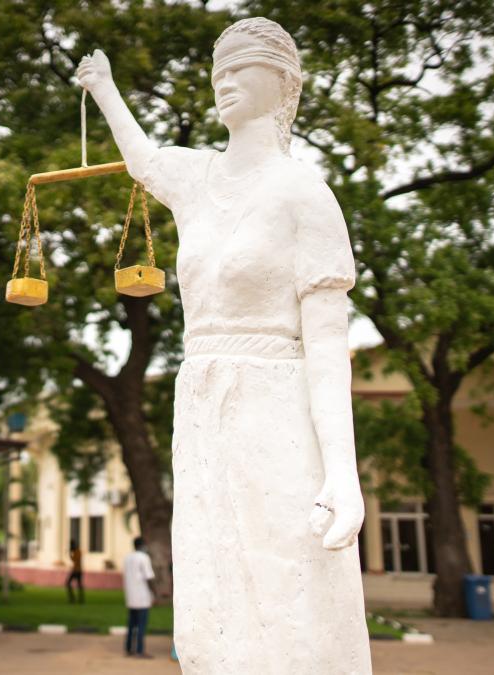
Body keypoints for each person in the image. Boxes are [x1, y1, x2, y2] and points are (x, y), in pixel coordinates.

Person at [77, 17, 372, 674]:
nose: (225, 80)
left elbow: (328, 351)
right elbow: (145, 160)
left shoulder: (305, 196)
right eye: (218, 69)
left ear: (284, 82)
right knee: (213, 579)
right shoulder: (195, 179)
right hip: (203, 400)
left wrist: (342, 471)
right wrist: (104, 88)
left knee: (281, 576)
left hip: (276, 402)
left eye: (242, 67)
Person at [122, 537, 154, 658]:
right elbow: (149, 577)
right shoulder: (144, 558)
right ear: (143, 545)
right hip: (142, 597)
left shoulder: (127, 558)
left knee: (131, 625)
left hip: (131, 596)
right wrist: (154, 593)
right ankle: (140, 651)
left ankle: (129, 648)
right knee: (141, 625)